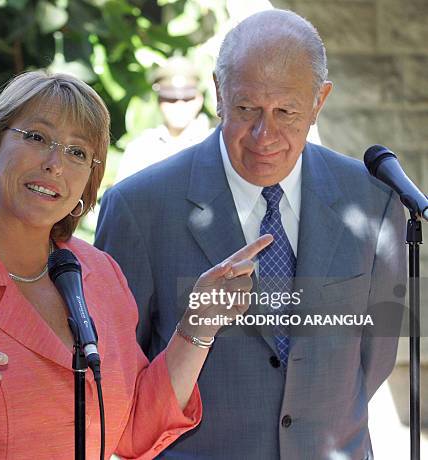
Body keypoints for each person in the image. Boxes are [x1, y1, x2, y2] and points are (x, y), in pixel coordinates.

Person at [0, 71, 273, 460]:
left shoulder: (100, 274)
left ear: (88, 181)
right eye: (37, 138)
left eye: (79, 152)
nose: (55, 164)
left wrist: (197, 327)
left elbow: (134, 429)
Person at [95, 9, 406, 460]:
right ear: (219, 93)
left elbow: (373, 357)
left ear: (320, 101)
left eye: (286, 111)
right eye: (246, 109)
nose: (265, 134)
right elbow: (121, 377)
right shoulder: (139, 208)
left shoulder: (373, 200)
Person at [115, 56, 212, 182]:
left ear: (199, 99)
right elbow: (120, 197)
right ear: (159, 101)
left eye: (187, 98)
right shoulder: (141, 148)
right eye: (171, 99)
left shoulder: (217, 144)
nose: (179, 106)